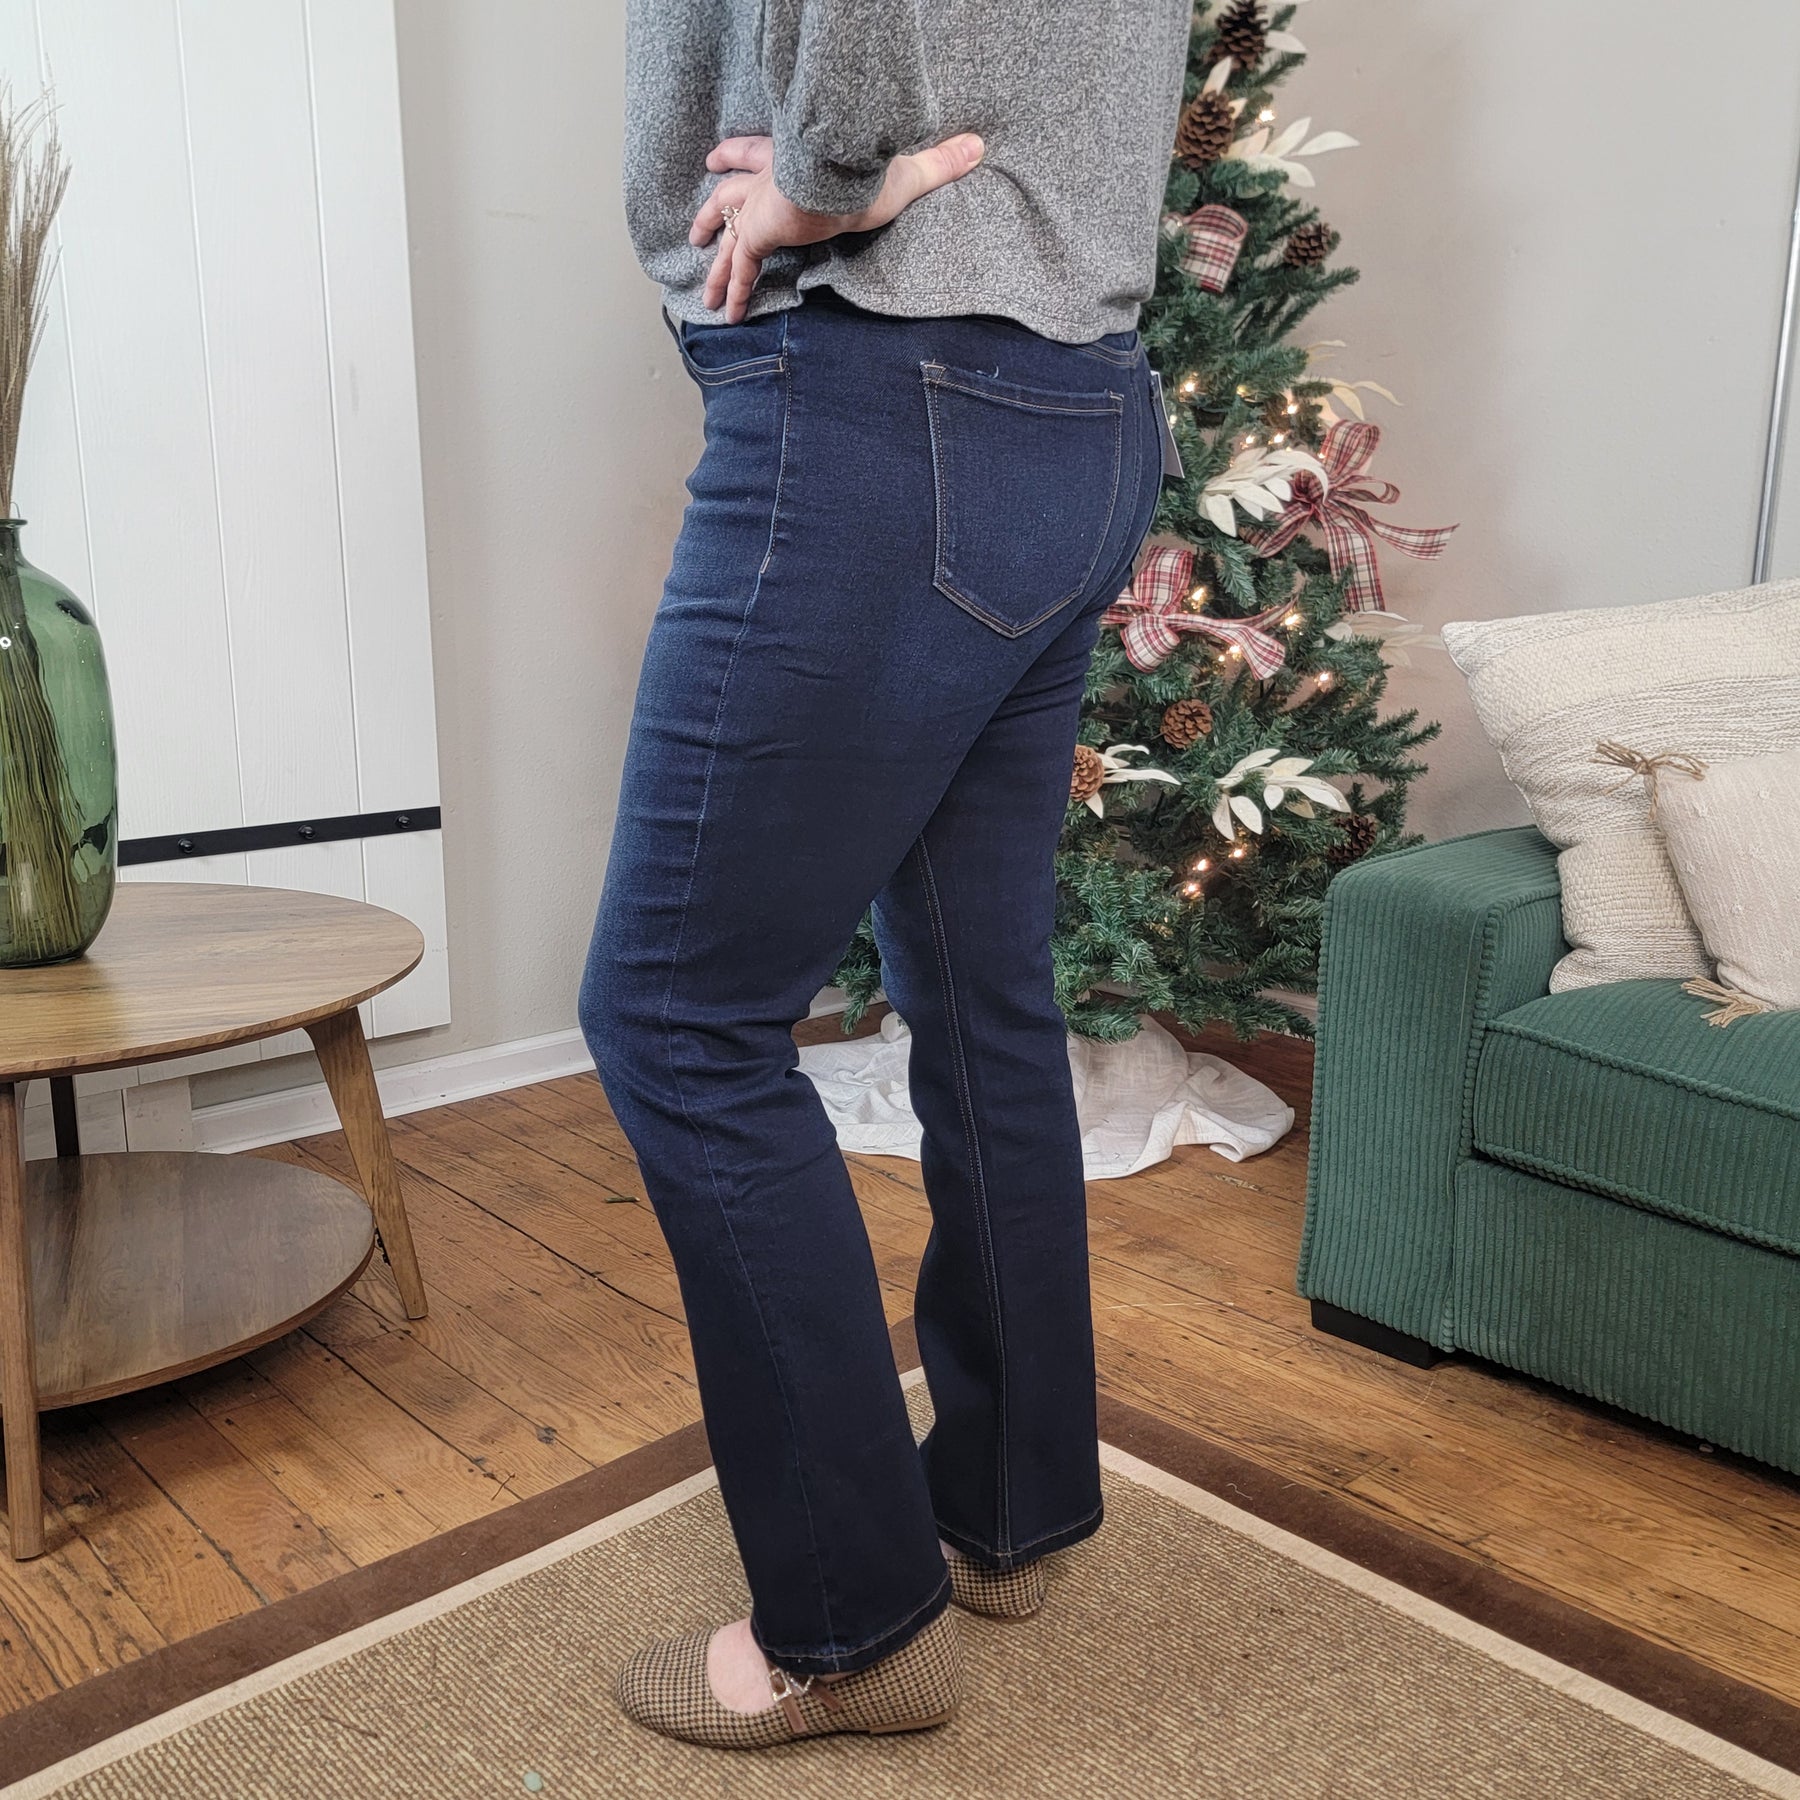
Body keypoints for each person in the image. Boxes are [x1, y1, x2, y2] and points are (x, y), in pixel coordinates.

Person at [581, 0, 1190, 1750]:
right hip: (1083, 403)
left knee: (677, 1023)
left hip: (882, 403)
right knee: (980, 990)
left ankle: (851, 1626)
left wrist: (836, 174)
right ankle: (1008, 1507)